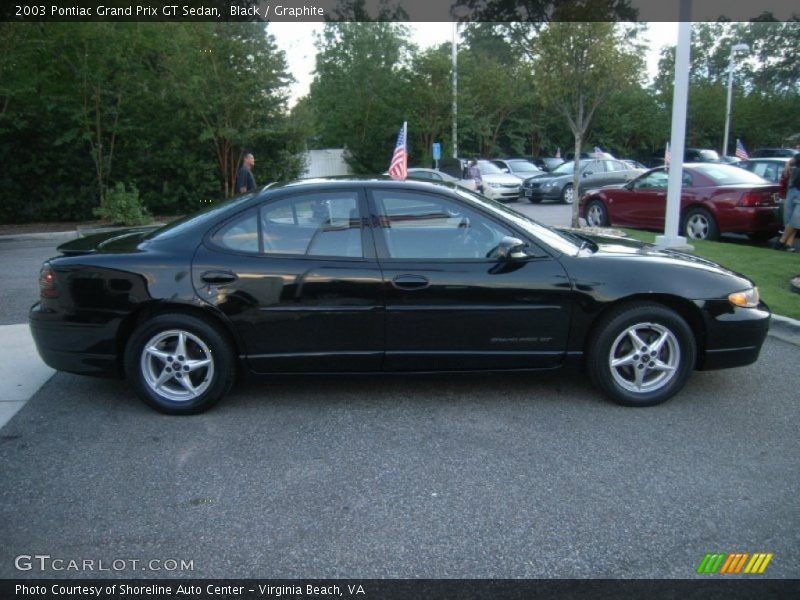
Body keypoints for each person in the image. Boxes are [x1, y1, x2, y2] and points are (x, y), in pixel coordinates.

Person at [773, 153, 799, 252]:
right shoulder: (798, 157)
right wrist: (788, 165)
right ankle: (788, 244)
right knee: (789, 218)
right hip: (792, 190)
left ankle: (781, 241)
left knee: (796, 218)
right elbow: (791, 161)